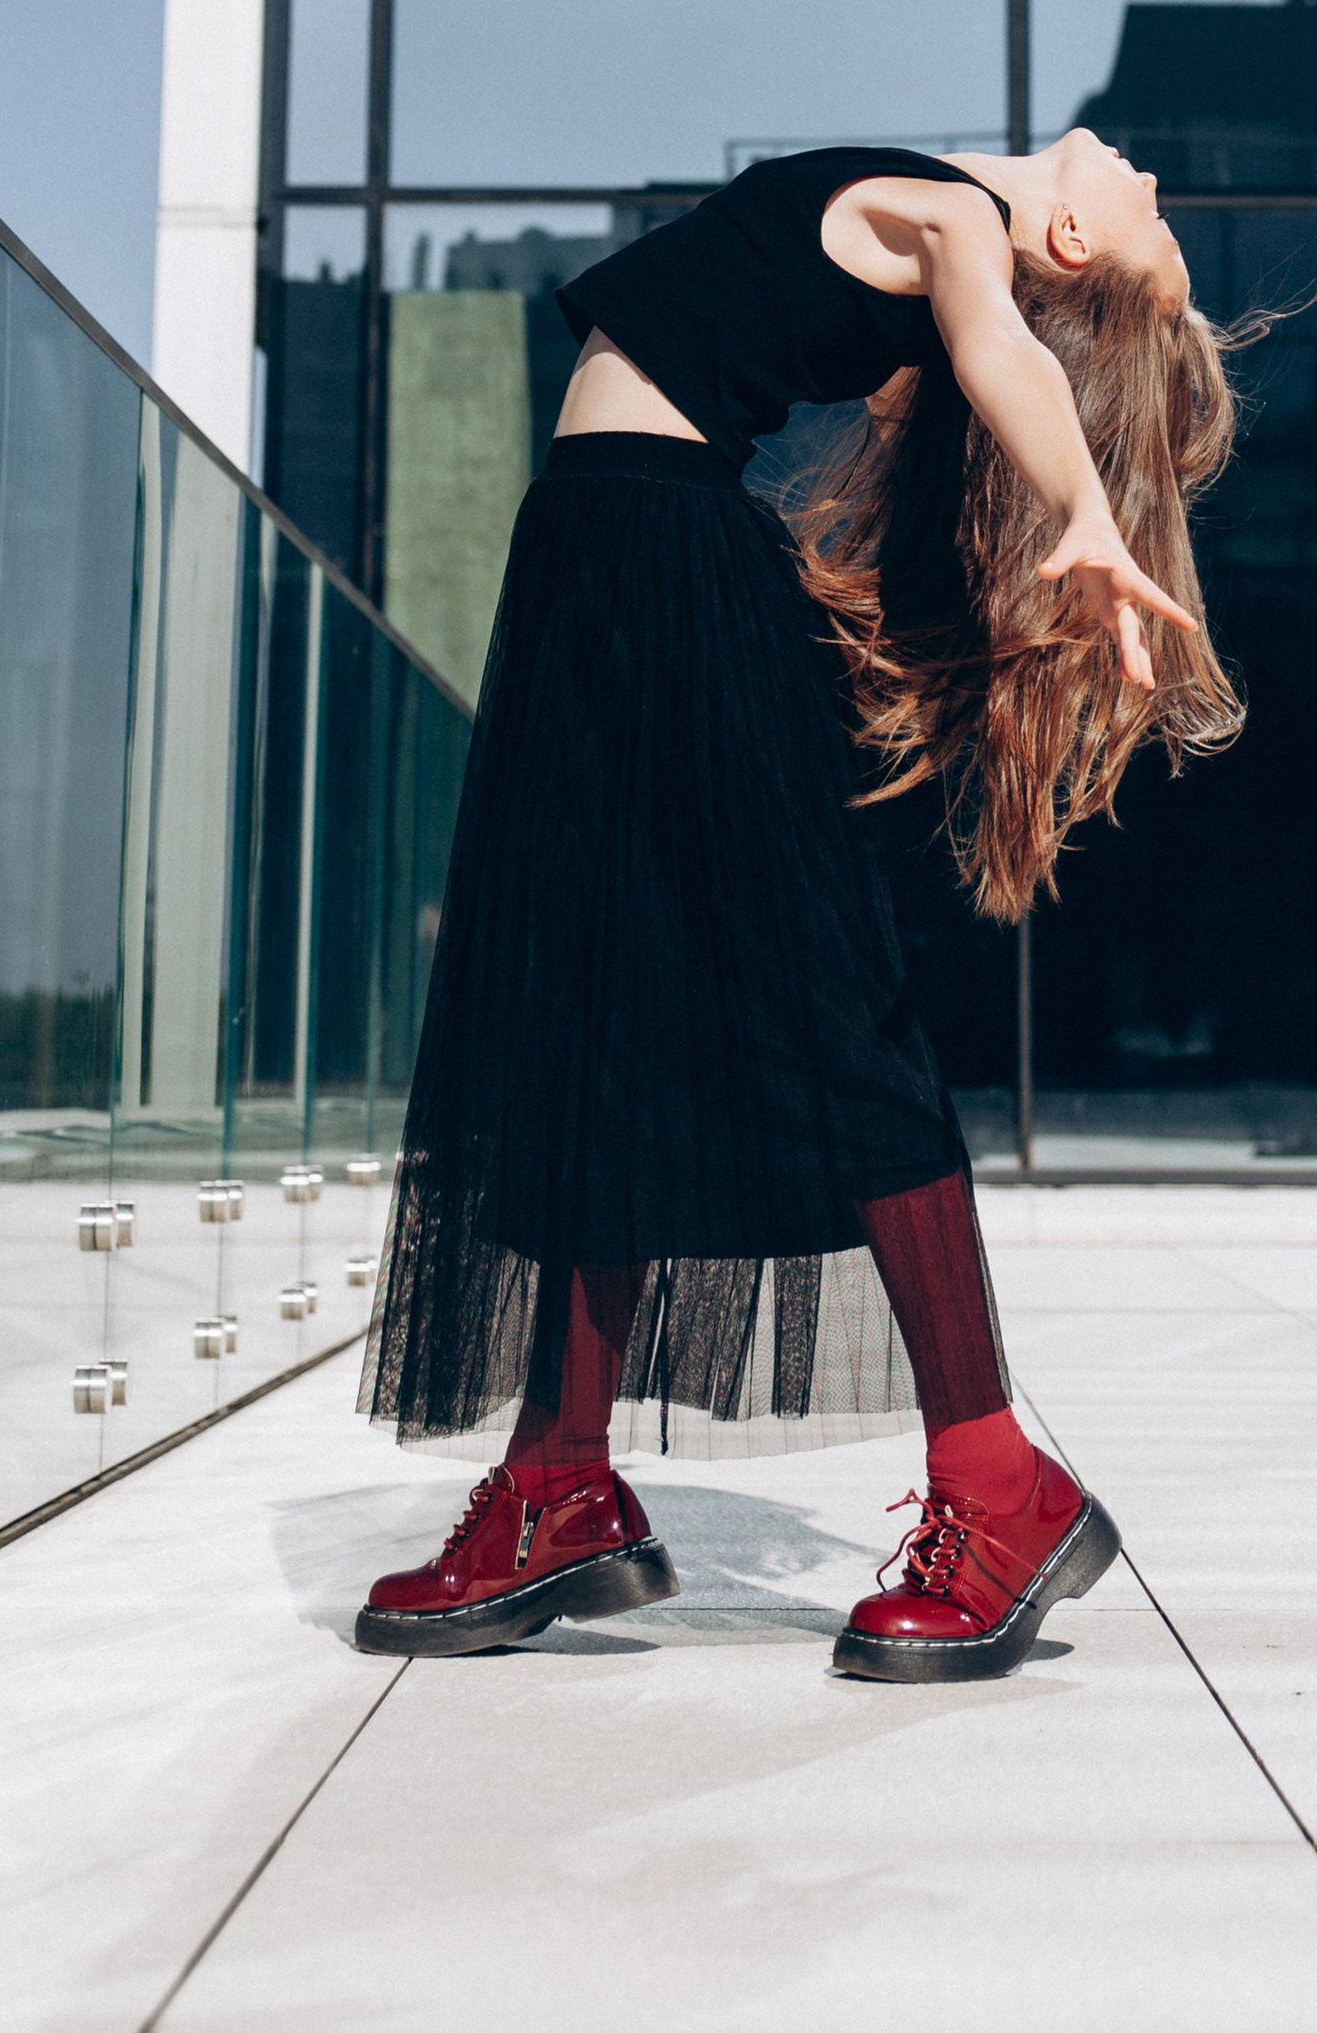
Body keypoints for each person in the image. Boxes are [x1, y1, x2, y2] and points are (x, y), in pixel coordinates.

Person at [355, 131, 1248, 1683]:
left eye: (1147, 231)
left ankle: (998, 1483)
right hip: (599, 553)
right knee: (598, 1018)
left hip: (657, 556)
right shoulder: (940, 199)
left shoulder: (962, 220)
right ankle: (562, 1478)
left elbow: (990, 342)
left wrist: (1085, 508)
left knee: (824, 1019)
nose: (1152, 182)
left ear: (1064, 241)